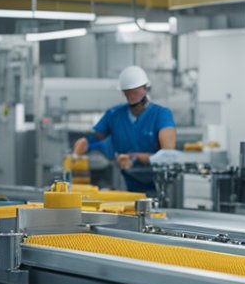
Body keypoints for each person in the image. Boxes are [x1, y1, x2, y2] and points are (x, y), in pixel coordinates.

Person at [72, 65, 176, 194]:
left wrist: (134, 158)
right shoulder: (114, 115)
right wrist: (84, 144)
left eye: (135, 91)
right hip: (127, 185)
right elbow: (94, 138)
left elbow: (168, 156)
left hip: (159, 187)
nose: (132, 95)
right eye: (128, 92)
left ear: (145, 89)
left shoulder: (161, 114)